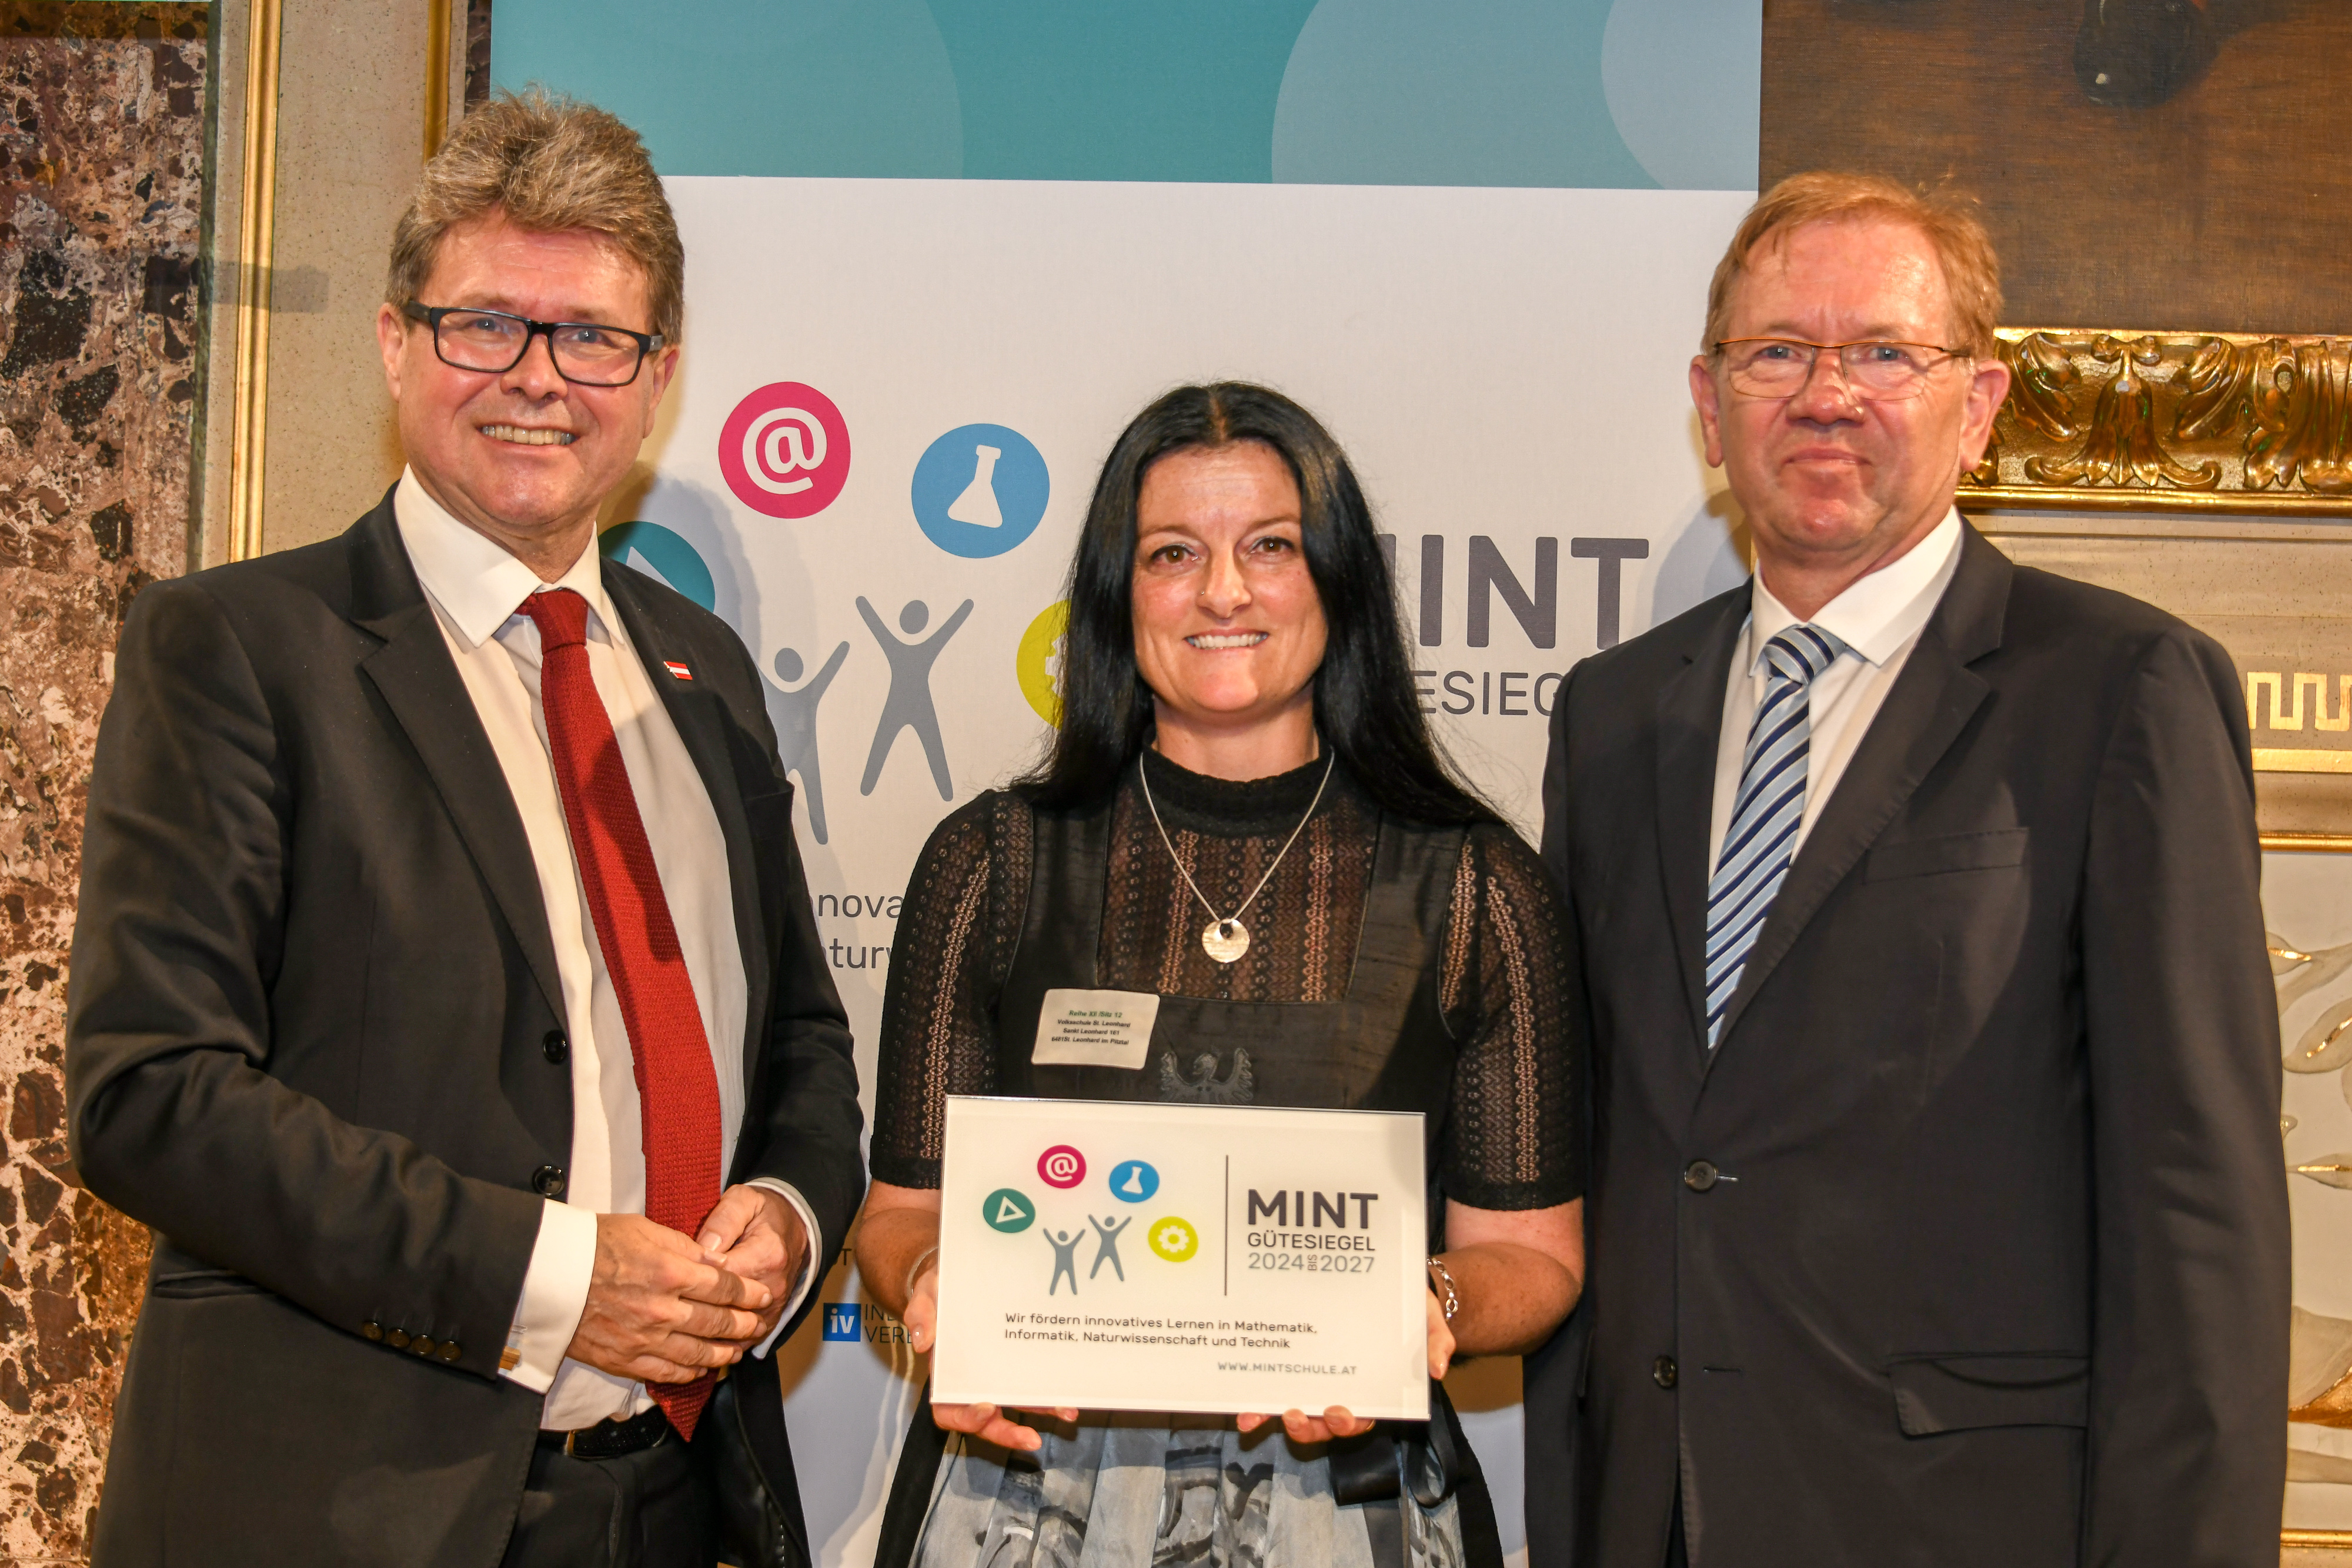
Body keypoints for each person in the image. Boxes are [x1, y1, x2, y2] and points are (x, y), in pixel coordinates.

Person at [65, 92, 865, 1568]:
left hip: (679, 1503)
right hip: (339, 1514)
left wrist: (789, 1213)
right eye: (485, 324)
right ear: (395, 343)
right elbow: (152, 1092)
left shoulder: (704, 670)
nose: (537, 378)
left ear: (657, 376)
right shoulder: (235, 647)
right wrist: (552, 1277)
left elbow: (801, 1039)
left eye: (592, 337)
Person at [1525, 171, 2288, 1566]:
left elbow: (2197, 1210)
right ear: (1708, 404)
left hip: (1963, 1523)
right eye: (1775, 352)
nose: (1826, 396)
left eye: (1883, 351)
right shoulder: (1613, 713)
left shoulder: (2120, 691)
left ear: (1978, 404)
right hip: (1652, 1514)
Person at [854, 383, 1586, 1568]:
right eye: (1172, 553)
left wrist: (1426, 1305)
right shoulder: (990, 862)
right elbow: (898, 1216)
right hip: (1029, 1499)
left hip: (1348, 1500)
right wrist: (944, 1277)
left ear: (1338, 582)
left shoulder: (1474, 884)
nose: (1224, 592)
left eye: (1272, 547)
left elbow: (1536, 1257)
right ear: (1116, 593)